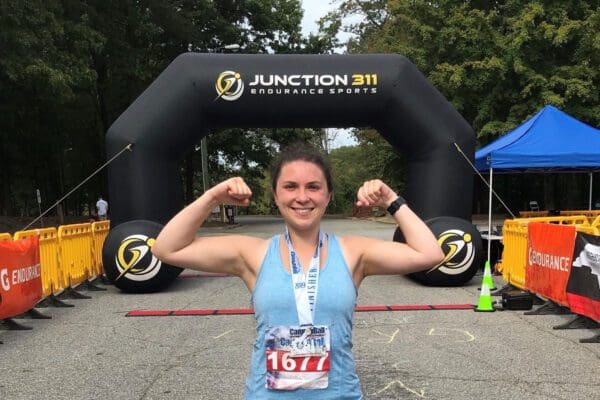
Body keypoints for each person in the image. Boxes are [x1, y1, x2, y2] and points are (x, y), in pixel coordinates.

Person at [151, 143, 444, 399]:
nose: (302, 197)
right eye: (290, 186)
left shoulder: (354, 252)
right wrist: (212, 197)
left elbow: (429, 253)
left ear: (328, 196)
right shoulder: (252, 253)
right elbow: (166, 248)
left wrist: (392, 199)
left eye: (313, 187)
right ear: (275, 196)